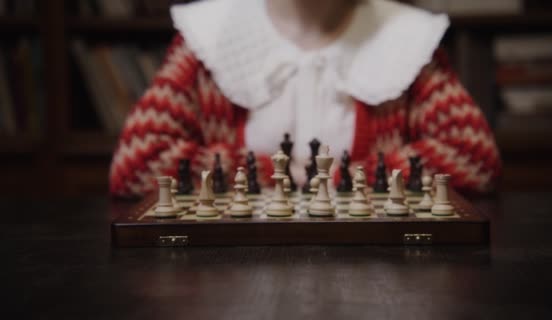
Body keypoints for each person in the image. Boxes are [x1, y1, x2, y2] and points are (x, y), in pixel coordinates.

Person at [109, 0, 501, 197]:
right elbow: (138, 162)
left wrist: (346, 180)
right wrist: (265, 172)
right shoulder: (207, 40)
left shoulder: (406, 42)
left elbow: (472, 155)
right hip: (230, 275)